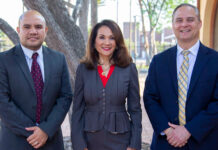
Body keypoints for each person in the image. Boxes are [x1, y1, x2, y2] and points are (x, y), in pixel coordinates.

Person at [143, 3, 218, 150]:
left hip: (204, 142)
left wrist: (189, 129)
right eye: (179, 20)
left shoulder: (215, 61)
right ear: (173, 25)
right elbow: (150, 98)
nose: (184, 24)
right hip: (166, 142)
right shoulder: (159, 61)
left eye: (190, 19)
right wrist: (168, 130)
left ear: (199, 24)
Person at [0, 10, 73, 150]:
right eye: (27, 27)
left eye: (38, 27)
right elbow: (2, 101)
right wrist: (34, 133)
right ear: (18, 30)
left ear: (45, 30)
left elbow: (65, 97)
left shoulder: (59, 59)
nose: (33, 31)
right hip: (15, 141)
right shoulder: (3, 60)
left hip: (51, 141)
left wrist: (45, 130)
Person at [71, 20, 142, 150]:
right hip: (90, 140)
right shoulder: (83, 69)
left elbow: (135, 110)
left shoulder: (129, 68)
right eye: (102, 37)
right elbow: (77, 111)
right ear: (93, 41)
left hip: (121, 141)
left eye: (112, 38)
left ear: (117, 42)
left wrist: (134, 144)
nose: (107, 42)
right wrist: (80, 144)